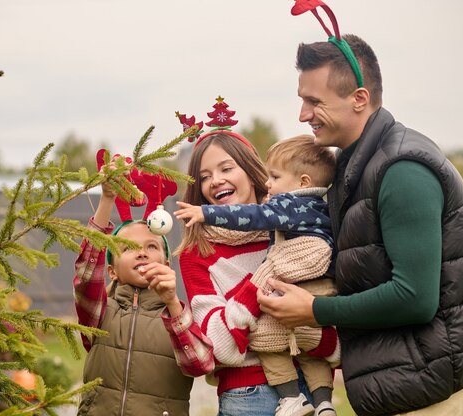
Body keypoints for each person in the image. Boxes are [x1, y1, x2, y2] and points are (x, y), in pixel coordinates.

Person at [257, 20, 463, 416]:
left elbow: (415, 298)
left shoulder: (402, 170)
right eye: (302, 100)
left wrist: (314, 311)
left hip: (426, 388)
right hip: (406, 377)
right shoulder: (355, 165)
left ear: (359, 98)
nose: (303, 114)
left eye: (315, 101)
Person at [174, 101, 340, 416]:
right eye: (205, 176)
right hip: (249, 395)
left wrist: (316, 336)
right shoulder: (198, 254)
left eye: (226, 169)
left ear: (252, 174)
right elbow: (220, 346)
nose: (216, 181)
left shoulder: (292, 229)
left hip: (315, 390)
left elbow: (337, 320)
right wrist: (267, 273)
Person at [73, 157, 214, 416]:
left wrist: (172, 303)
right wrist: (106, 199)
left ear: (166, 265)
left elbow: (200, 364)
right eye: (128, 248)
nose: (142, 253)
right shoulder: (100, 313)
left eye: (152, 247)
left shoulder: (178, 315)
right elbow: (86, 274)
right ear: (112, 271)